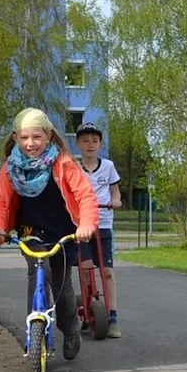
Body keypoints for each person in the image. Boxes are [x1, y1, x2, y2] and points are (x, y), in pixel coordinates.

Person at [0, 107, 99, 360]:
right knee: (38, 271)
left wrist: (87, 224)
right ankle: (34, 333)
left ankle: (70, 330)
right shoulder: (11, 167)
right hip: (31, 231)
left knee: (61, 284)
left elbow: (85, 195)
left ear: (48, 135)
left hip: (63, 233)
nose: (31, 143)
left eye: (36, 137)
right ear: (16, 138)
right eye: (25, 137)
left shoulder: (63, 163)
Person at [74, 122, 123, 338]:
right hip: (83, 224)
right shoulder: (73, 168)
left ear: (100, 144)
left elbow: (115, 192)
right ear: (78, 144)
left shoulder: (108, 166)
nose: (90, 145)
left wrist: (115, 201)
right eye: (85, 141)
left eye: (94, 141)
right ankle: (86, 306)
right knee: (85, 268)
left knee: (107, 272)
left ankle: (112, 316)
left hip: (103, 222)